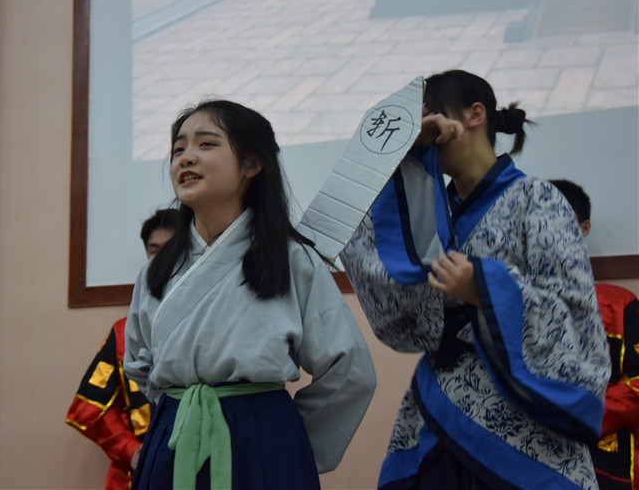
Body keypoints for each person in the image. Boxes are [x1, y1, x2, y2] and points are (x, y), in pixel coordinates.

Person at [339, 69, 610, 489]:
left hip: (524, 414)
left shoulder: (537, 198)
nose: (428, 131)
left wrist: (485, 286)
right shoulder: (429, 214)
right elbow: (368, 251)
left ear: (475, 114)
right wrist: (406, 147)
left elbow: (573, 312)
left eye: (432, 116)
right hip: (438, 405)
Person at [123, 99, 376, 490]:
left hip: (263, 441)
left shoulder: (292, 259)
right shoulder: (156, 272)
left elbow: (349, 370)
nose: (186, 157)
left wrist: (287, 440)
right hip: (175, 439)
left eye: (207, 144)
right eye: (178, 148)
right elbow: (139, 365)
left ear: (252, 164)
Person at [65, 208, 180, 490]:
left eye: (171, 249)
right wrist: (131, 450)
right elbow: (88, 407)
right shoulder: (124, 332)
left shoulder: (214, 324)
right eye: (154, 251)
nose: (161, 259)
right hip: (140, 474)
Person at [550, 178, 639, 490]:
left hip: (608, 460)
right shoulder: (507, 302)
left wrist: (579, 417)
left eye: (562, 220)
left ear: (584, 228)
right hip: (532, 456)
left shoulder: (621, 305)